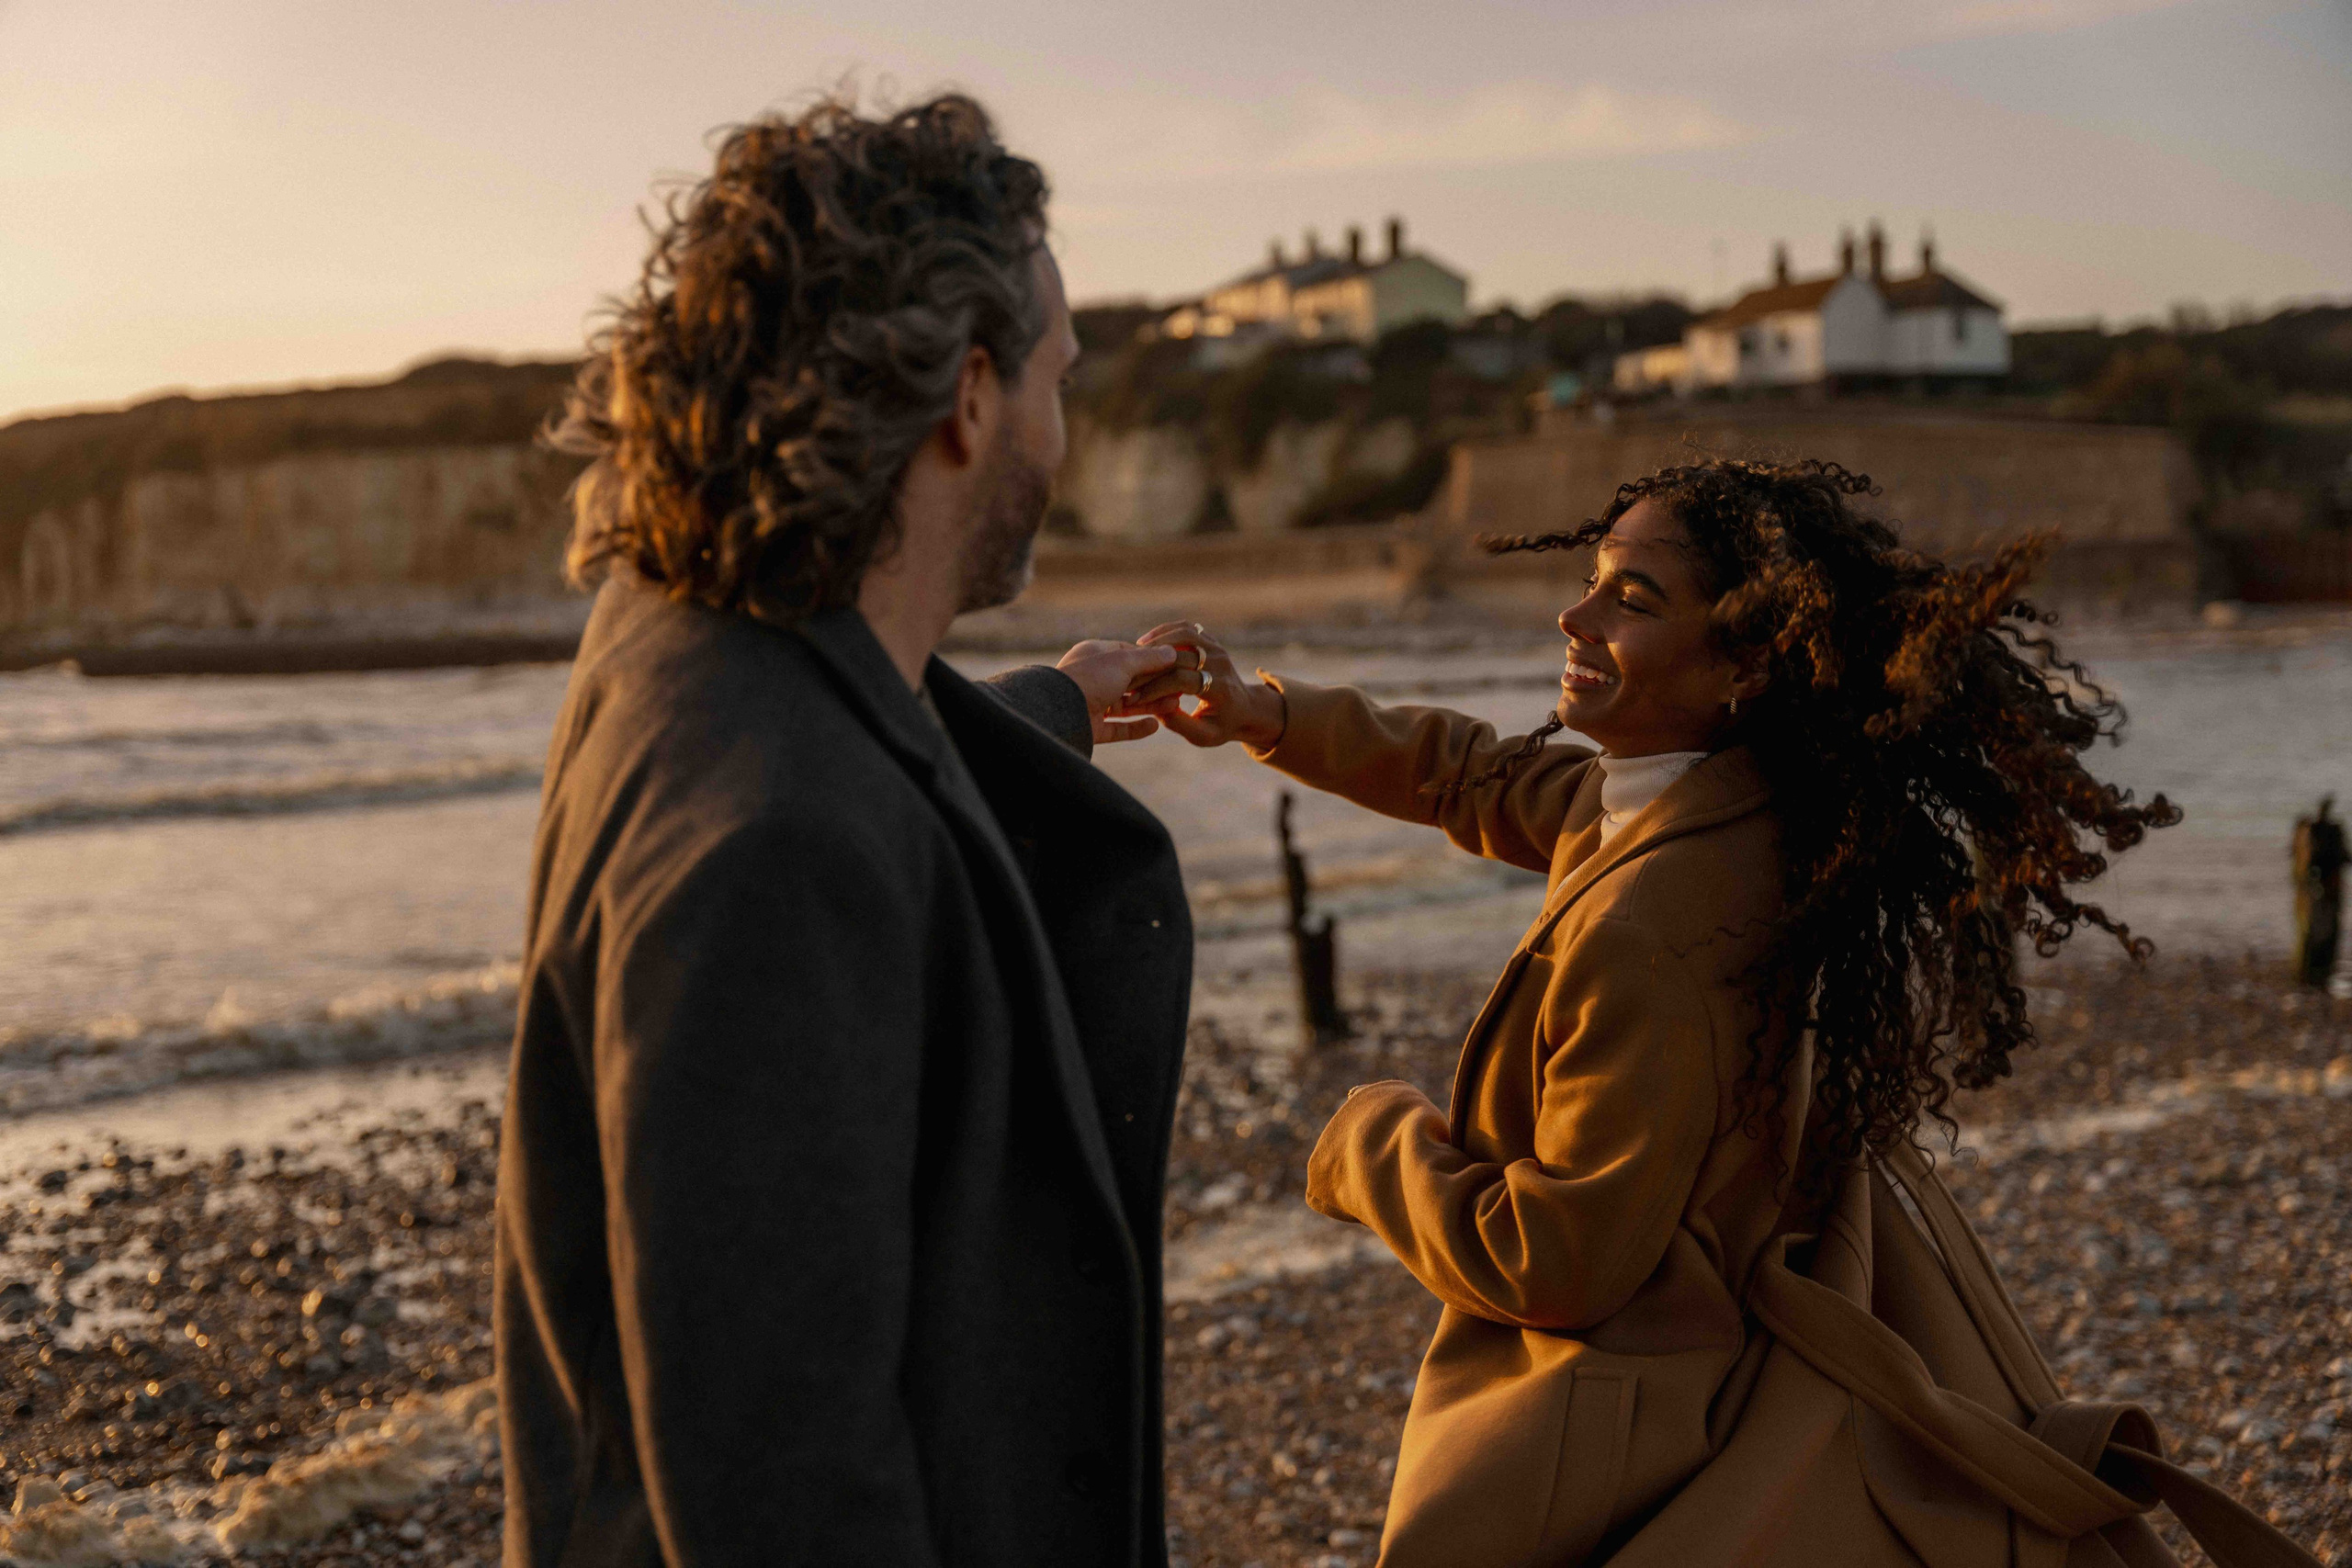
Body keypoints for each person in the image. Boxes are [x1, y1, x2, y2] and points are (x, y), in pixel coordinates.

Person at [1123, 459, 2318, 1566]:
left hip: (1626, 1428)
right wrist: (1260, 712)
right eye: (1587, 583)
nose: (1574, 620)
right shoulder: (1719, 796)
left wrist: (1368, 1141)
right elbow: (1474, 773)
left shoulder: (1656, 926)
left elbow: (1559, 1259)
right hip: (1734, 1329)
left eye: (1629, 599)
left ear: (1747, 662)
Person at [494, 94, 1199, 1567]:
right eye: (1057, 382)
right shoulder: (779, 859)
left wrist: (1053, 707)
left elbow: (855, 717)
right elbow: (784, 1479)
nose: (1062, 436)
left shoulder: (674, 623)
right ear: (967, 393)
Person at [2291, 795, 2346, 987]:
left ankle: (2316, 972)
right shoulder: (2323, 831)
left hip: (2325, 887)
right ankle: (2312, 972)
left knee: (2320, 930)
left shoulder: (2327, 831)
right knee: (2317, 930)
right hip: (2320, 888)